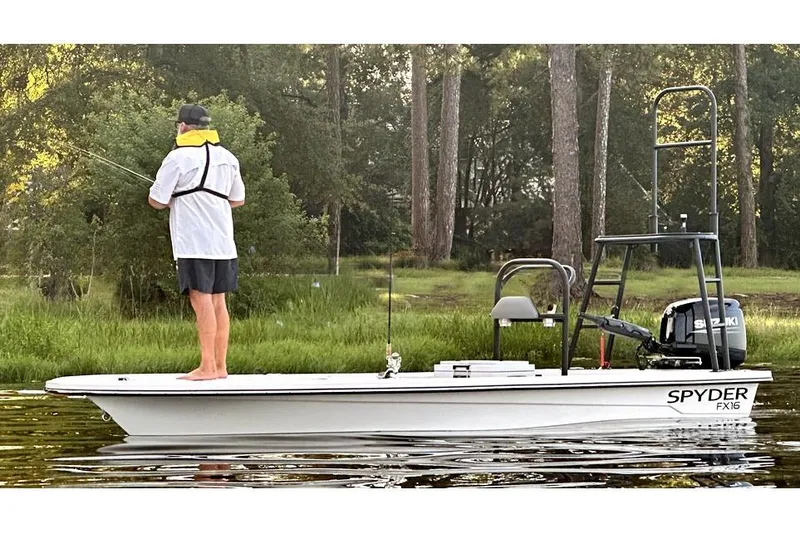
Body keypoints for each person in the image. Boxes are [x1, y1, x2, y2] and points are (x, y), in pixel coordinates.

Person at [148, 104, 245, 381]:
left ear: (182, 126)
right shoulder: (228, 157)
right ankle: (220, 366)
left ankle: (206, 367)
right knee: (218, 301)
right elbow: (237, 200)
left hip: (193, 242)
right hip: (224, 242)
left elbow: (156, 201)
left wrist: (180, 198)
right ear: (206, 126)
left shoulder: (177, 158)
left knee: (200, 301)